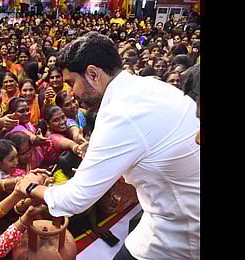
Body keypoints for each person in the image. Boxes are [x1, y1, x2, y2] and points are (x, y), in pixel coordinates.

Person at [16, 32, 199, 260]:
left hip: (182, 229)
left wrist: (31, 187)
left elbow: (75, 199)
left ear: (93, 74)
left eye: (72, 83)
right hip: (174, 207)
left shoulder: (120, 112)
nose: (71, 92)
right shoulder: (146, 86)